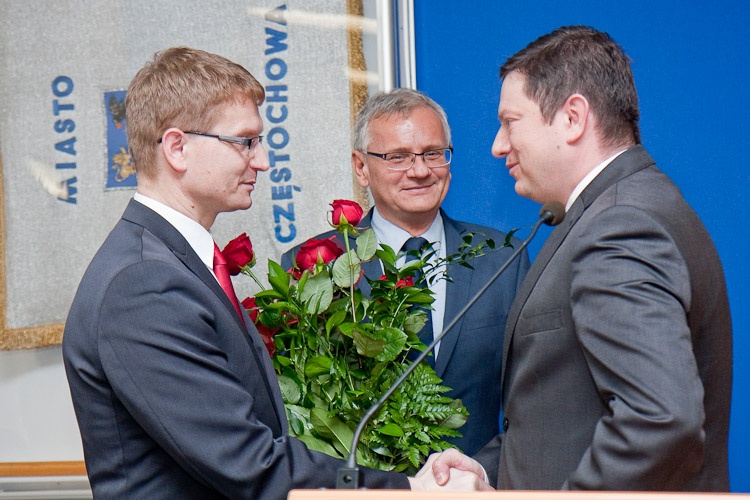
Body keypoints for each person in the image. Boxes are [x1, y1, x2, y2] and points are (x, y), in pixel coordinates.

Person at [62, 47, 490, 499]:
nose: (262, 160)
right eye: (245, 141)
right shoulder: (143, 283)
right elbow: (248, 462)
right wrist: (409, 489)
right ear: (177, 148)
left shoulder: (169, 263)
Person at [432, 25, 733, 491]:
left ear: (572, 118)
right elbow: (566, 415)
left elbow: (660, 421)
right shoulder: (622, 208)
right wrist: (488, 470)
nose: (498, 145)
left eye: (510, 122)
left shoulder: (621, 224)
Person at [281, 88, 530, 456]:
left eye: (433, 153)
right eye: (397, 157)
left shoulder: (502, 258)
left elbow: (531, 401)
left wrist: (482, 472)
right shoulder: (314, 265)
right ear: (361, 168)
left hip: (477, 480)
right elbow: (300, 406)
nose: (420, 171)